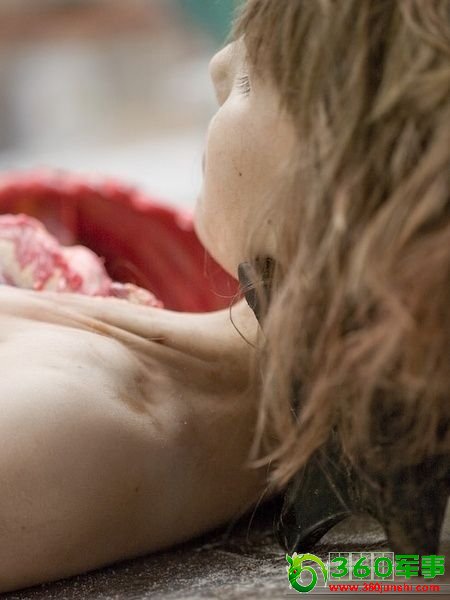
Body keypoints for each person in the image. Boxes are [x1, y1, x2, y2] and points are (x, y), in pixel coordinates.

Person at [1, 0, 449, 592]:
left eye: (252, 78)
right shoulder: (158, 348)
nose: (218, 66)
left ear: (343, 194)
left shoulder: (81, 411)